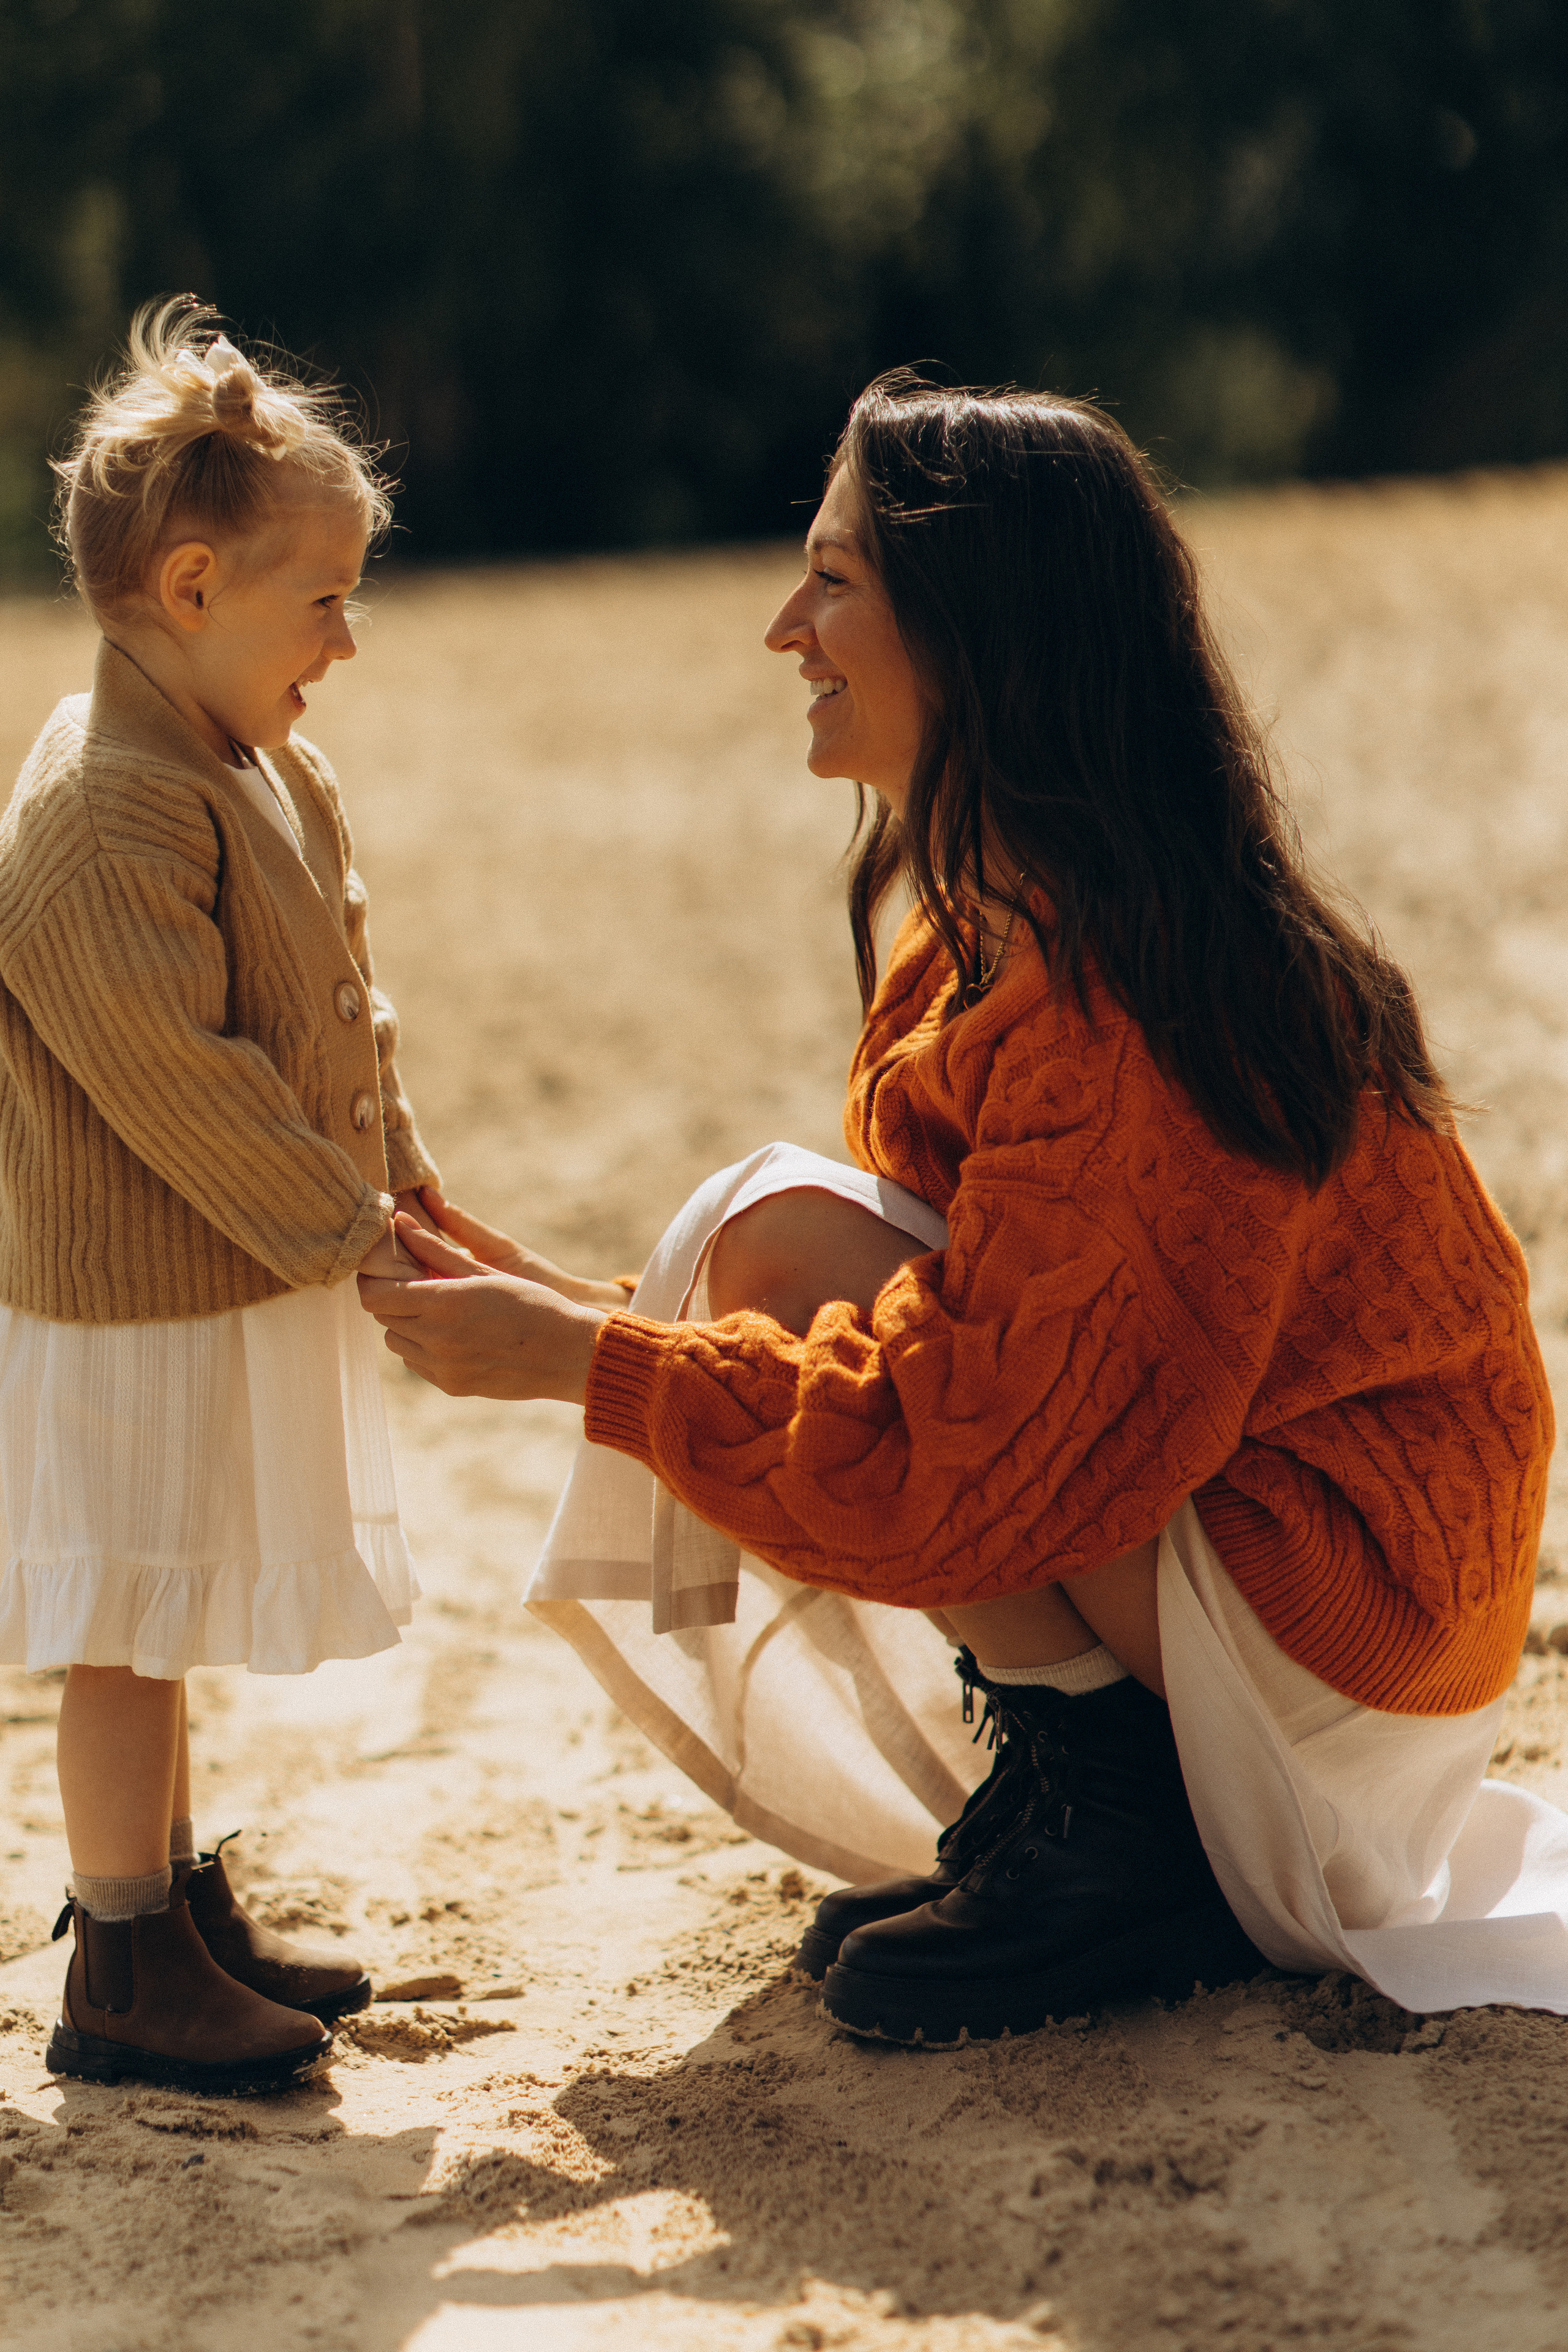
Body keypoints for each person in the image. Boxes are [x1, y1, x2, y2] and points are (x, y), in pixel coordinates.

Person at [364, 375, 1559, 2046]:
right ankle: (1106, 1795)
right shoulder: (1015, 922)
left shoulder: (1123, 992)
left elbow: (974, 1424)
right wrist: (576, 1308)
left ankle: (1129, 1838)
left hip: (1339, 1640)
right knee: (758, 1235)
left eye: (835, 581)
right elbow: (979, 1316)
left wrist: (593, 1365)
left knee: (769, 1232)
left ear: (981, 626)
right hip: (1299, 1604)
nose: (786, 628)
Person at [1, 301, 440, 2095]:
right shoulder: (114, 810)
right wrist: (357, 1239)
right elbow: (185, 1079)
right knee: (125, 1618)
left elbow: (337, 1002)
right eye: (322, 599)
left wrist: (410, 1176)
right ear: (192, 588)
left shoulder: (242, 755)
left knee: (167, 1603)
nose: (344, 639)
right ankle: (119, 1963)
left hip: (208, 1274)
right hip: (125, 1292)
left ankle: (174, 1906)